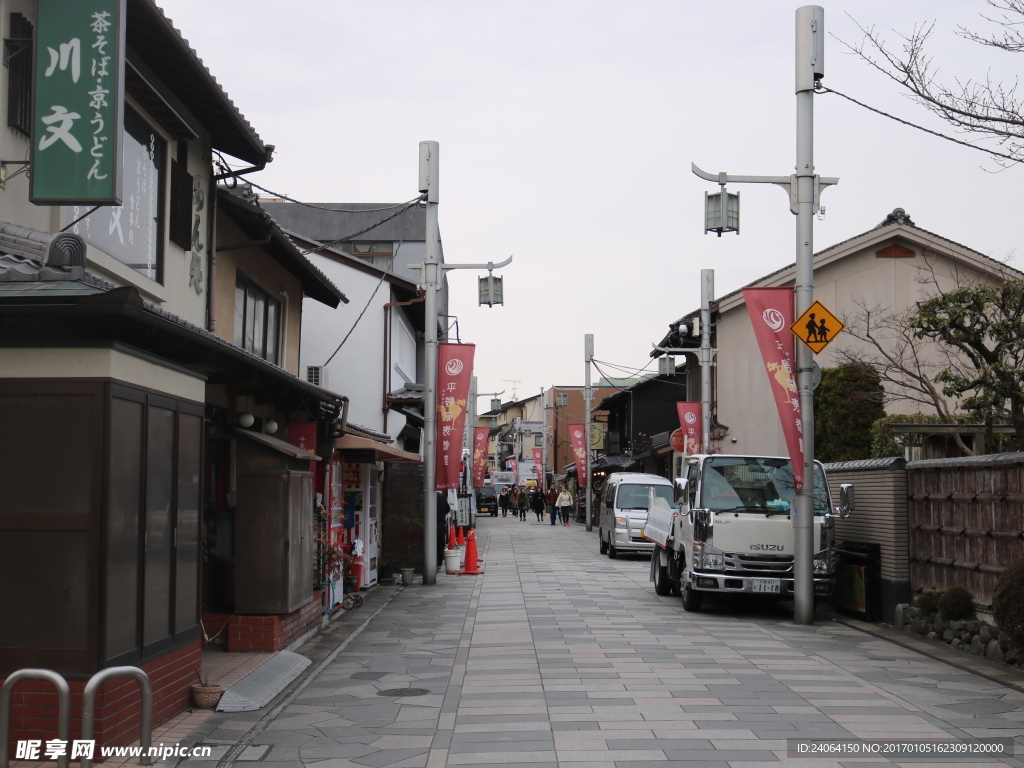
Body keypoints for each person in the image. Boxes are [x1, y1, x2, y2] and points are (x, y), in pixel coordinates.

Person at [436, 491, 451, 568]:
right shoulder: (441, 496)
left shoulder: (426, 496)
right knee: (440, 544)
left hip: (430, 523)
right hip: (441, 523)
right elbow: (448, 508)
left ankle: (431, 561)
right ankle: (439, 563)